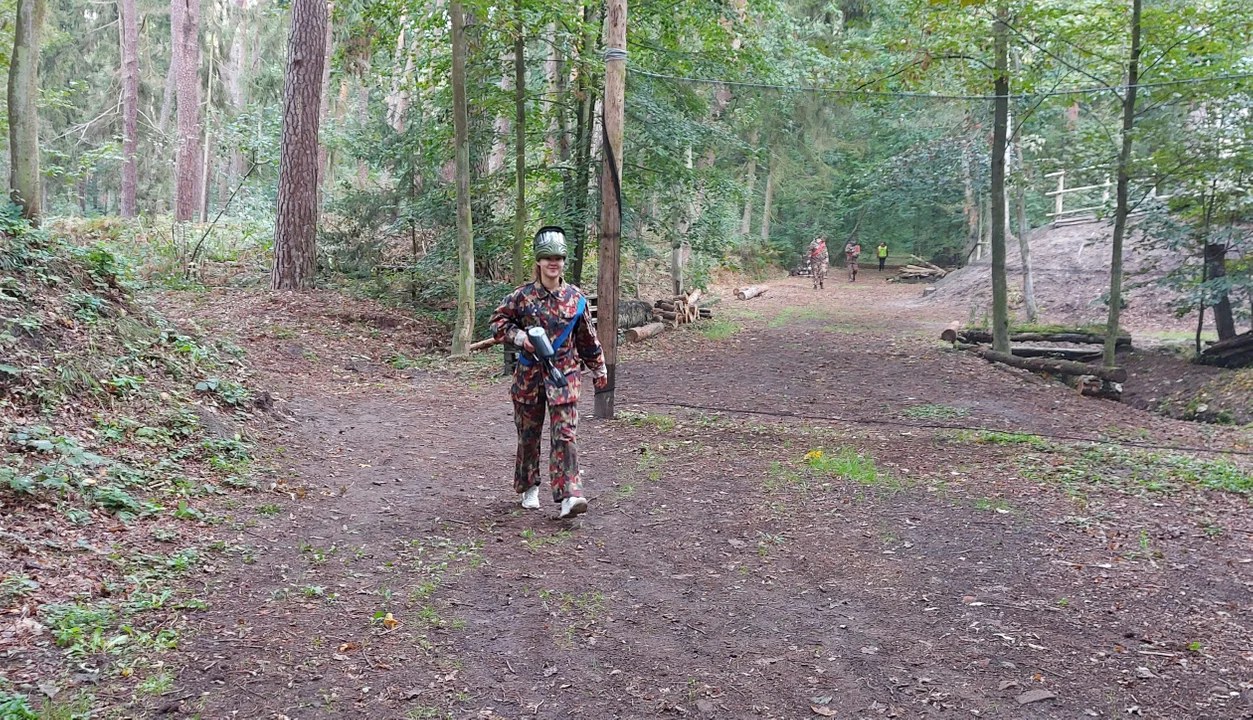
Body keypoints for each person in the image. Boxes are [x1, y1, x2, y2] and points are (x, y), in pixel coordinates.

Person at [490, 226, 607, 519]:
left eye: (559, 257)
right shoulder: (521, 297)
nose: (553, 262)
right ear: (539, 261)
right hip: (529, 377)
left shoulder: (576, 298)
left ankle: (570, 494)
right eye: (548, 257)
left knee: (565, 436)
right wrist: (521, 339)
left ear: (564, 261)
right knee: (528, 436)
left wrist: (598, 367)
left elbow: (587, 338)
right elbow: (497, 325)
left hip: (564, 377)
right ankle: (530, 486)